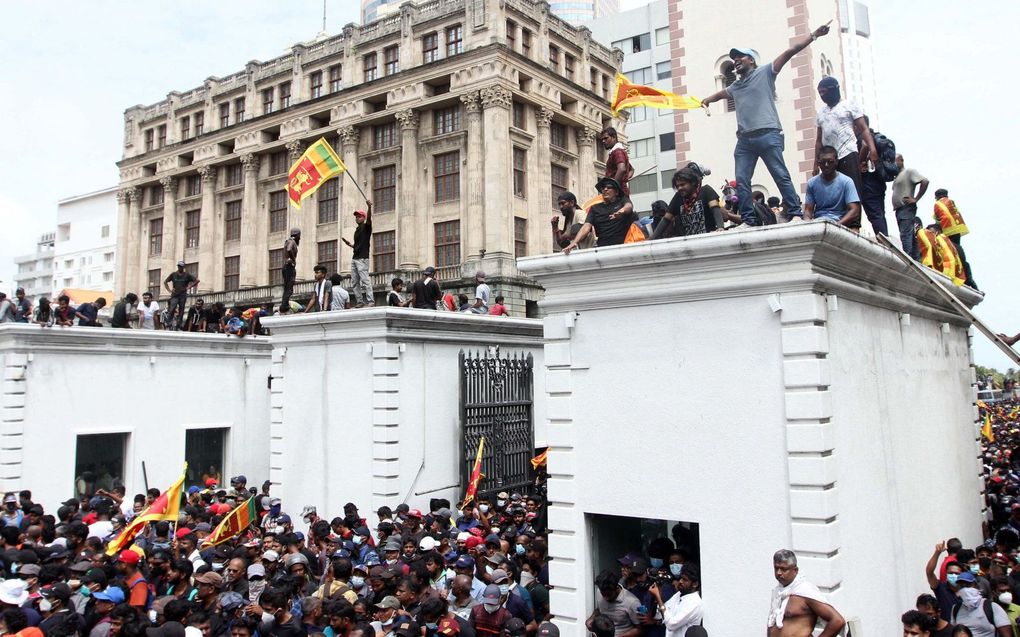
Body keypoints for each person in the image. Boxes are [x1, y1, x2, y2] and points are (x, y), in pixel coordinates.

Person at [698, 22, 832, 225]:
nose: (735, 61)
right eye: (733, 59)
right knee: (742, 181)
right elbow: (720, 94)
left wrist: (814, 35)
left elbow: (790, 51)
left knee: (780, 174)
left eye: (740, 57)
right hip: (745, 140)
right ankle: (748, 220)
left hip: (768, 134)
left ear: (751, 60)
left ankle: (795, 212)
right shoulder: (736, 86)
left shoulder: (766, 72)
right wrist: (707, 100)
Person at [813, 76, 876, 229]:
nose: (822, 95)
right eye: (819, 93)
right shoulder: (821, 113)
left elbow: (863, 128)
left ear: (834, 89)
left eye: (824, 91)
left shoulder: (849, 105)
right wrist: (815, 163)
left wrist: (872, 148)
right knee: (832, 191)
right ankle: (836, 222)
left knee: (852, 190)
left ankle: (854, 225)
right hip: (828, 157)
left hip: (847, 152)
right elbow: (818, 140)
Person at [767, 549, 845, 637]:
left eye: (784, 569)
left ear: (795, 570)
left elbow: (837, 621)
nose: (779, 573)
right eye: (776, 568)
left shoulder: (805, 591)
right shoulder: (778, 592)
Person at [562, 178, 635, 254]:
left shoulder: (622, 201)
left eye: (609, 187)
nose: (605, 189)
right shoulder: (595, 208)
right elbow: (586, 227)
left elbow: (629, 206)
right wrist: (574, 242)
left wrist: (621, 211)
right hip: (602, 249)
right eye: (603, 188)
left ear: (616, 192)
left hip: (623, 246)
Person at [651, 166, 723, 239]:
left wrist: (720, 227)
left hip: (709, 240)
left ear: (693, 182)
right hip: (689, 244)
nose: (679, 188)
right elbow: (666, 219)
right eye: (677, 186)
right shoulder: (678, 197)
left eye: (682, 184)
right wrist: (652, 238)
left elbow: (715, 209)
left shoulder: (706, 191)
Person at [803, 146, 861, 227]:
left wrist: (837, 225)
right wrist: (807, 223)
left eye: (830, 162)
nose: (826, 165)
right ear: (818, 163)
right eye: (823, 162)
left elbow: (854, 210)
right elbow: (808, 210)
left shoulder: (846, 181)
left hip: (839, 223)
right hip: (818, 223)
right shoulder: (812, 183)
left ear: (836, 161)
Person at [933, 189, 976, 288]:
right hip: (957, 229)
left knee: (950, 251)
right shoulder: (951, 202)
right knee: (958, 249)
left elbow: (937, 219)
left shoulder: (937, 204)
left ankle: (956, 272)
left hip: (948, 229)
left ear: (937, 196)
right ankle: (967, 277)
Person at [950, 571, 1012, 637]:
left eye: (968, 585)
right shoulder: (955, 609)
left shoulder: (992, 607)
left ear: (976, 586)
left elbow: (1006, 634)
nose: (965, 589)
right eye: (961, 586)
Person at [859, 115, 892, 236]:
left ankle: (884, 241)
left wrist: (859, 162)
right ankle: (885, 238)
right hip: (878, 181)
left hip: (868, 182)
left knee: (875, 215)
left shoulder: (864, 137)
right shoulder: (875, 136)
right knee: (879, 213)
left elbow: (866, 146)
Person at [890, 154, 929, 260]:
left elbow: (925, 181)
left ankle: (907, 259)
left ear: (901, 161)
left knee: (905, 235)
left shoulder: (908, 172)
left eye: (895, 161)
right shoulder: (897, 176)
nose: (893, 164)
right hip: (899, 210)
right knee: (910, 236)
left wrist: (916, 198)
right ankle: (916, 259)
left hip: (906, 208)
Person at [649, 563, 702, 637]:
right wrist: (659, 594)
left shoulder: (695, 603)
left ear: (695, 584)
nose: (680, 581)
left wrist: (658, 597)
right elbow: (659, 615)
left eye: (685, 580)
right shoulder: (679, 595)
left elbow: (671, 624)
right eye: (681, 578)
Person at [586, 570, 641, 637]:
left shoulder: (632, 602)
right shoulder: (599, 592)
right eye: (603, 594)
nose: (606, 598)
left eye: (609, 595)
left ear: (616, 588)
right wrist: (591, 618)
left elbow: (640, 630)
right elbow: (599, 610)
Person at [342, 201, 373, 308]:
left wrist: (369, 207)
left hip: (363, 258)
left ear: (363, 218)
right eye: (356, 217)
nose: (357, 218)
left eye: (359, 216)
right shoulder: (357, 230)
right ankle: (360, 301)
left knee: (365, 280)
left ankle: (370, 301)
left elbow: (369, 219)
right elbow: (358, 246)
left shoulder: (366, 227)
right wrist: (349, 244)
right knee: (355, 282)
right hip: (355, 258)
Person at [163, 261, 199, 326]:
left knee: (181, 309)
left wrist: (189, 287)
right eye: (179, 266)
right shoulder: (173, 274)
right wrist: (169, 290)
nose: (180, 268)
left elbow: (197, 280)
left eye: (182, 267)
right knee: (172, 307)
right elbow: (165, 281)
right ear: (178, 267)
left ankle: (179, 323)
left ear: (183, 267)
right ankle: (169, 322)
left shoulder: (187, 275)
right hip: (175, 294)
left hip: (183, 294)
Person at [599, 128, 632, 195]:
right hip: (619, 192)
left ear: (614, 137)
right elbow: (631, 169)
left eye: (606, 138)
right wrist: (624, 179)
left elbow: (622, 169)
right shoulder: (618, 151)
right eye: (602, 139)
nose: (603, 141)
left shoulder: (617, 151)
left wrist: (613, 186)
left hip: (617, 194)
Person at [281, 228, 301, 313]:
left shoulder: (288, 241)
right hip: (289, 266)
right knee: (289, 288)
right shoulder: (291, 241)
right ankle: (284, 306)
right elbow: (289, 249)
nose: (299, 238)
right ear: (296, 235)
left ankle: (284, 305)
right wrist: (293, 259)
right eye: (299, 236)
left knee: (287, 288)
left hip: (287, 266)